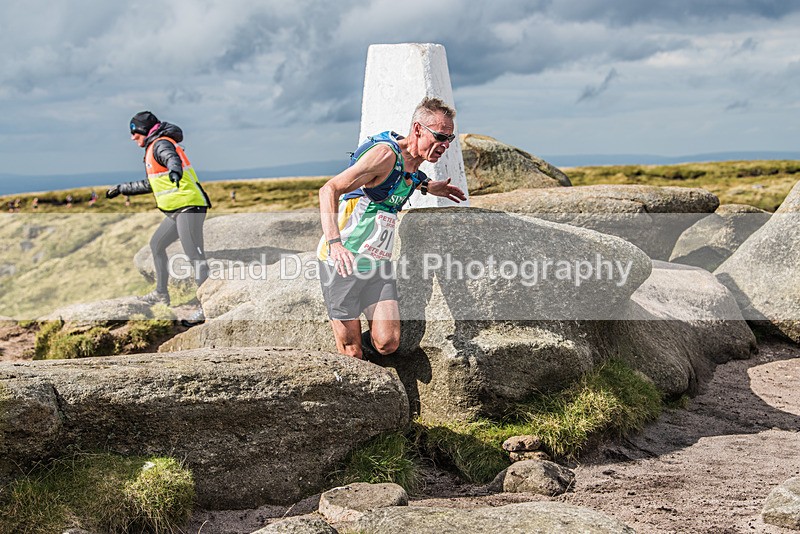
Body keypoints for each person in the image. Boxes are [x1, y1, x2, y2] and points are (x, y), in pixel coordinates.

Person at [317, 97, 466, 359]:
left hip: (376, 266)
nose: (444, 145)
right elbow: (329, 189)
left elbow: (402, 179)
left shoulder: (414, 165)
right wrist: (335, 244)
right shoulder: (385, 155)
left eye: (450, 139)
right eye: (440, 136)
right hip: (343, 263)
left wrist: (430, 187)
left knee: (388, 343)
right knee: (351, 353)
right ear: (418, 129)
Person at [105, 111, 211, 327]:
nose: (132, 137)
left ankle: (206, 307)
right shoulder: (152, 148)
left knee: (194, 255)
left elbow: (172, 159)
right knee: (157, 244)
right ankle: (161, 294)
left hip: (189, 206)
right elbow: (151, 183)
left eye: (134, 132)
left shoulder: (161, 144)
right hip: (176, 210)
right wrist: (121, 188)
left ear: (143, 130)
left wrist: (175, 170)